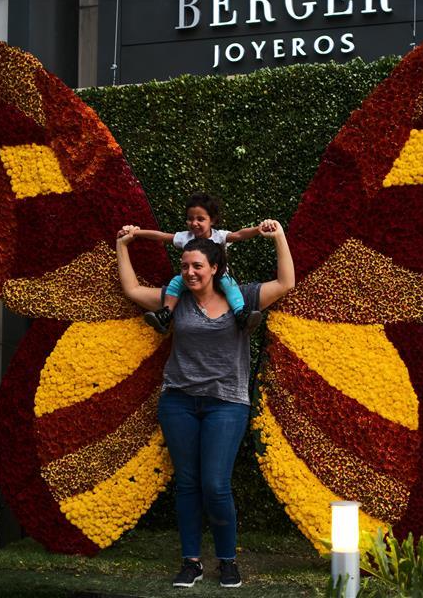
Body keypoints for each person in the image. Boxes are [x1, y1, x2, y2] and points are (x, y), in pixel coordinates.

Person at [116, 218, 294, 589]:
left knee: (215, 484)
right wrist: (123, 245)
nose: (190, 272)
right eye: (185, 266)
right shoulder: (174, 298)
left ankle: (228, 561)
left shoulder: (241, 297)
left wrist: (278, 237)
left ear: (215, 268)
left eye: (198, 266)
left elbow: (285, 284)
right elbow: (132, 290)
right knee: (188, 484)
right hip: (178, 401)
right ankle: (191, 562)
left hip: (226, 403)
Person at [118, 192, 263, 334]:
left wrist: (259, 229)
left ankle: (241, 315)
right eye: (190, 219)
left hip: (218, 276)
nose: (194, 223)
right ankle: (165, 315)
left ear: (212, 220)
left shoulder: (219, 236)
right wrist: (136, 233)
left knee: (230, 285)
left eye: (200, 219)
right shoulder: (185, 237)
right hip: (192, 278)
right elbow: (161, 236)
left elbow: (239, 234)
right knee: (175, 282)